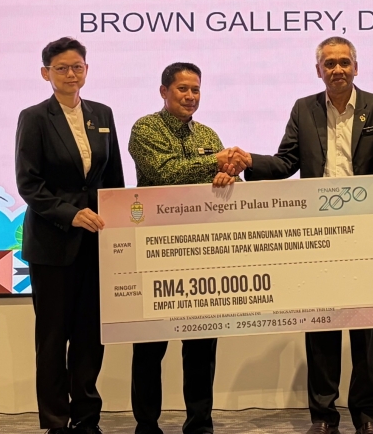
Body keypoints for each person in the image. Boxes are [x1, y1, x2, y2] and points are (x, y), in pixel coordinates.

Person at [232, 37, 373, 434]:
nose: (338, 69)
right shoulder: (303, 109)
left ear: (356, 67)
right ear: (319, 71)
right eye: (330, 64)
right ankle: (324, 416)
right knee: (321, 323)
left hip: (364, 229)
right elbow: (287, 161)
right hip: (318, 231)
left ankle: (368, 414)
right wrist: (249, 163)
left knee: (366, 327)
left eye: (344, 62)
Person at [15, 37, 125, 434]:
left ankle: (87, 417)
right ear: (46, 73)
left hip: (96, 245)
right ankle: (56, 420)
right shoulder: (34, 117)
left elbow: (113, 180)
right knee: (52, 337)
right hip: (52, 244)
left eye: (77, 66)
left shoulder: (103, 113)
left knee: (90, 336)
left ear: (87, 70)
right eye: (61, 68)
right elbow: (29, 184)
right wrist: (72, 214)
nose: (70, 74)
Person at [127, 62, 242, 434]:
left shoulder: (207, 132)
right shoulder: (145, 128)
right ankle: (147, 424)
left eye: (195, 90)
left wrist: (227, 174)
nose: (190, 96)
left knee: (201, 345)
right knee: (149, 346)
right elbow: (164, 172)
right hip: (155, 249)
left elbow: (222, 177)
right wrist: (215, 161)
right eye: (182, 89)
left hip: (202, 249)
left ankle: (200, 422)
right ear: (164, 92)